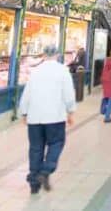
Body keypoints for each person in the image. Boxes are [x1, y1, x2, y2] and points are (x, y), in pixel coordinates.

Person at [18, 45, 76, 194]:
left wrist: (24, 112)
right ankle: (45, 171)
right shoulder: (63, 71)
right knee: (56, 143)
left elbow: (27, 93)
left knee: (36, 148)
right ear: (57, 55)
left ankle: (34, 183)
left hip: (35, 118)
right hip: (55, 117)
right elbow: (69, 93)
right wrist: (71, 111)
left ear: (43, 55)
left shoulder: (35, 71)